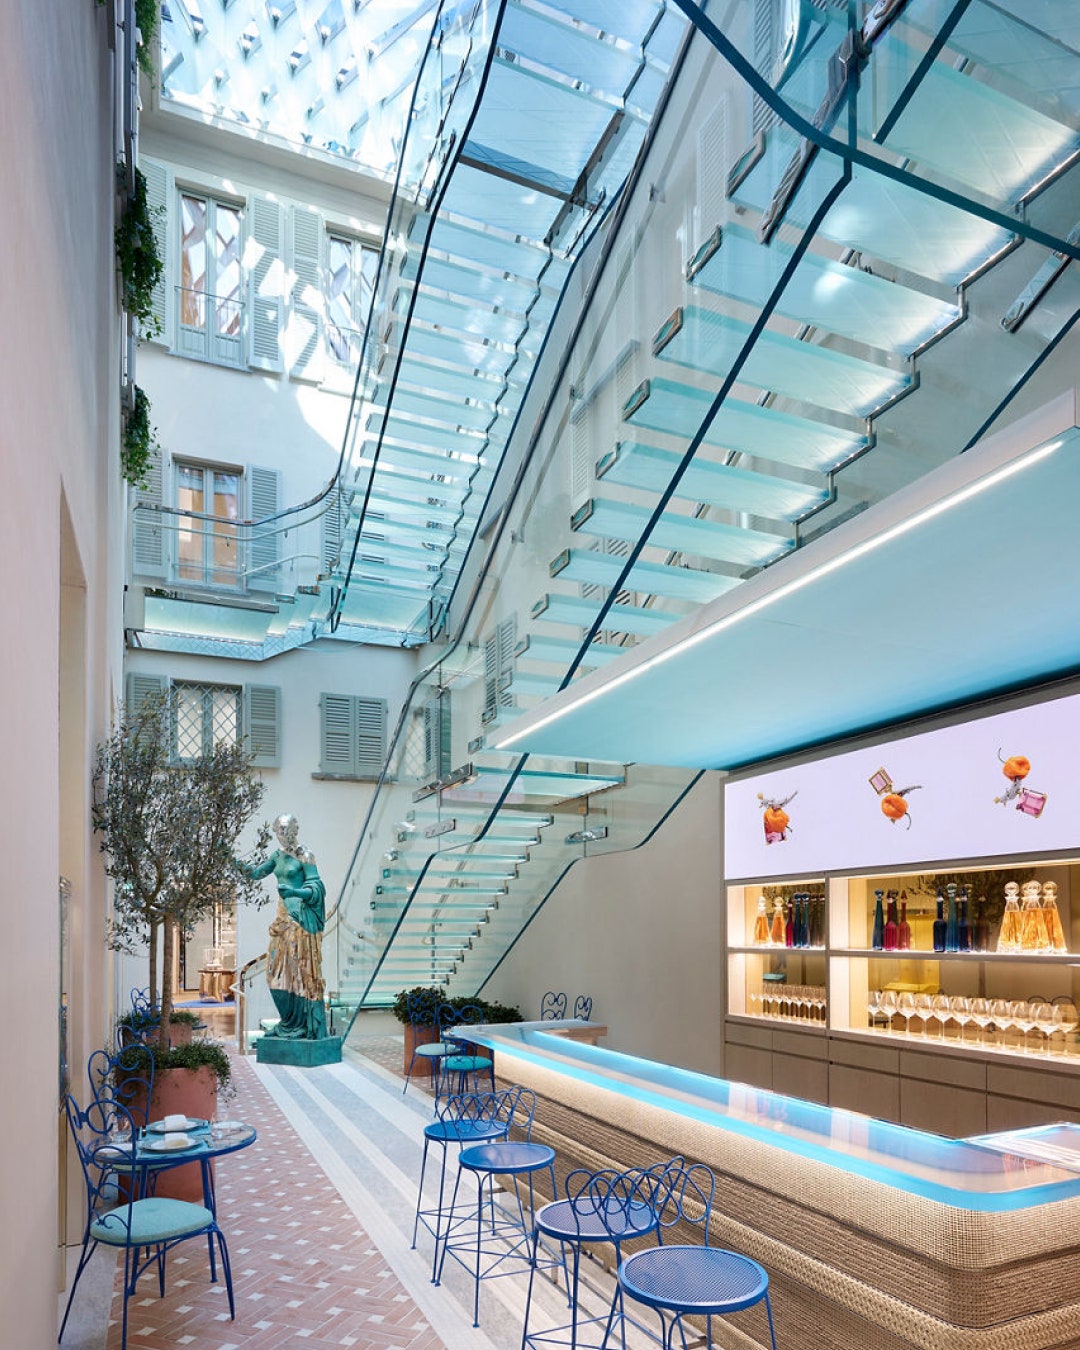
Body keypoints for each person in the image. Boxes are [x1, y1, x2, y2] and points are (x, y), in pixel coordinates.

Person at [242, 814, 328, 1039]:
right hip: (281, 921)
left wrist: (294, 892)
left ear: (295, 830)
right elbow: (256, 873)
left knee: (299, 974)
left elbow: (316, 888)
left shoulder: (305, 856)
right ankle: (289, 1022)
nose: (282, 835)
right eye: (278, 831)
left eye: (285, 829)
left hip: (299, 921)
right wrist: (233, 861)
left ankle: (302, 1026)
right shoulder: (277, 856)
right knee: (274, 973)